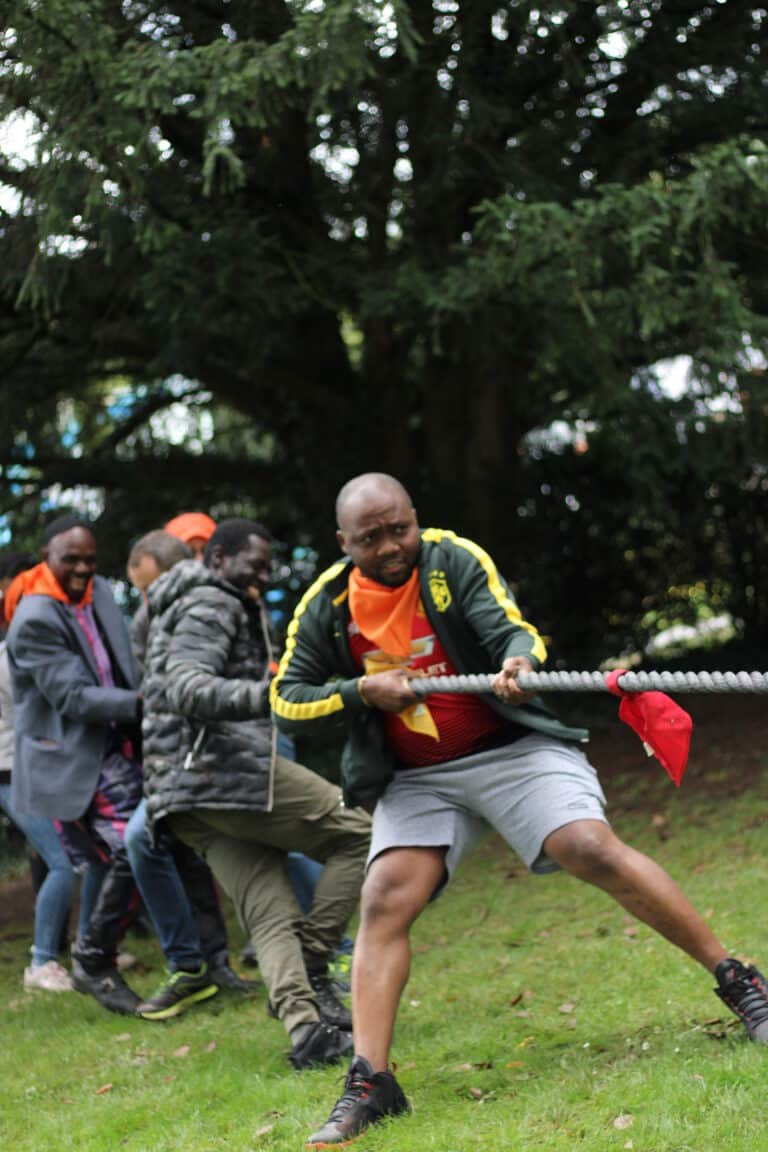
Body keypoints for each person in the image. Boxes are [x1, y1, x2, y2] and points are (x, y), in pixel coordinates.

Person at [270, 472, 768, 1146]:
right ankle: (371, 1083)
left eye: (399, 529)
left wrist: (516, 662)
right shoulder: (326, 604)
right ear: (342, 541)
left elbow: (513, 630)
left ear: (415, 517)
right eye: (371, 538)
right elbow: (287, 698)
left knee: (587, 846)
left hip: (508, 748)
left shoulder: (451, 559)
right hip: (418, 777)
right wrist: (361, 690)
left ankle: (739, 982)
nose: (390, 547)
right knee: (384, 898)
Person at [140, 518, 372, 1068]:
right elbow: (187, 686)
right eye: (255, 564)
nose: (263, 576)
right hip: (218, 772)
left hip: (177, 793)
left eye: (268, 567)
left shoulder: (172, 602)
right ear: (218, 558)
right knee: (361, 835)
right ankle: (314, 964)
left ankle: (306, 1030)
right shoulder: (212, 601)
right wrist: (272, 694)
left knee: (268, 906)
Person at [6, 516, 143, 1014]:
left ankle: (98, 953)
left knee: (116, 855)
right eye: (71, 559)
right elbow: (72, 697)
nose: (84, 569)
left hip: (108, 746)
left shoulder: (97, 595)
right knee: (108, 853)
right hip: (52, 761)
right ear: (47, 557)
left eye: (90, 559)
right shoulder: (33, 619)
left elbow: (118, 661)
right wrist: (144, 704)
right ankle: (62, 959)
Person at [124, 529, 253, 1018]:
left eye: (145, 586)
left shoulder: (204, 602)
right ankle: (200, 965)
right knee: (159, 844)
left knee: (270, 838)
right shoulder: (158, 612)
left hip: (213, 755)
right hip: (179, 760)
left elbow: (197, 688)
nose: (144, 597)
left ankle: (332, 946)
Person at [0, 550, 79, 992]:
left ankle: (84, 949)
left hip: (27, 769)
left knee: (61, 859)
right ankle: (42, 962)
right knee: (63, 862)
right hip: (12, 773)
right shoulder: (11, 655)